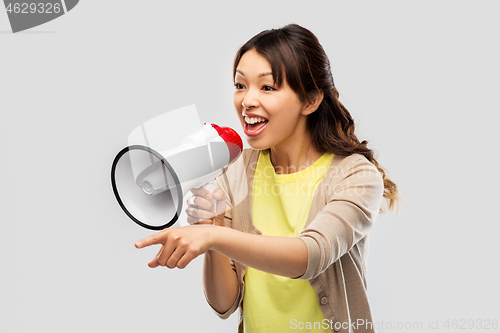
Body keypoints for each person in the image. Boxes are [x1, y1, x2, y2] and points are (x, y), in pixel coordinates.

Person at [135, 24, 400, 333]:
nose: (247, 101)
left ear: (310, 100)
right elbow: (224, 304)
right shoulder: (235, 171)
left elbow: (310, 256)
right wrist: (213, 225)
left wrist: (214, 237)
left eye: (267, 87)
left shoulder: (355, 175)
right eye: (240, 85)